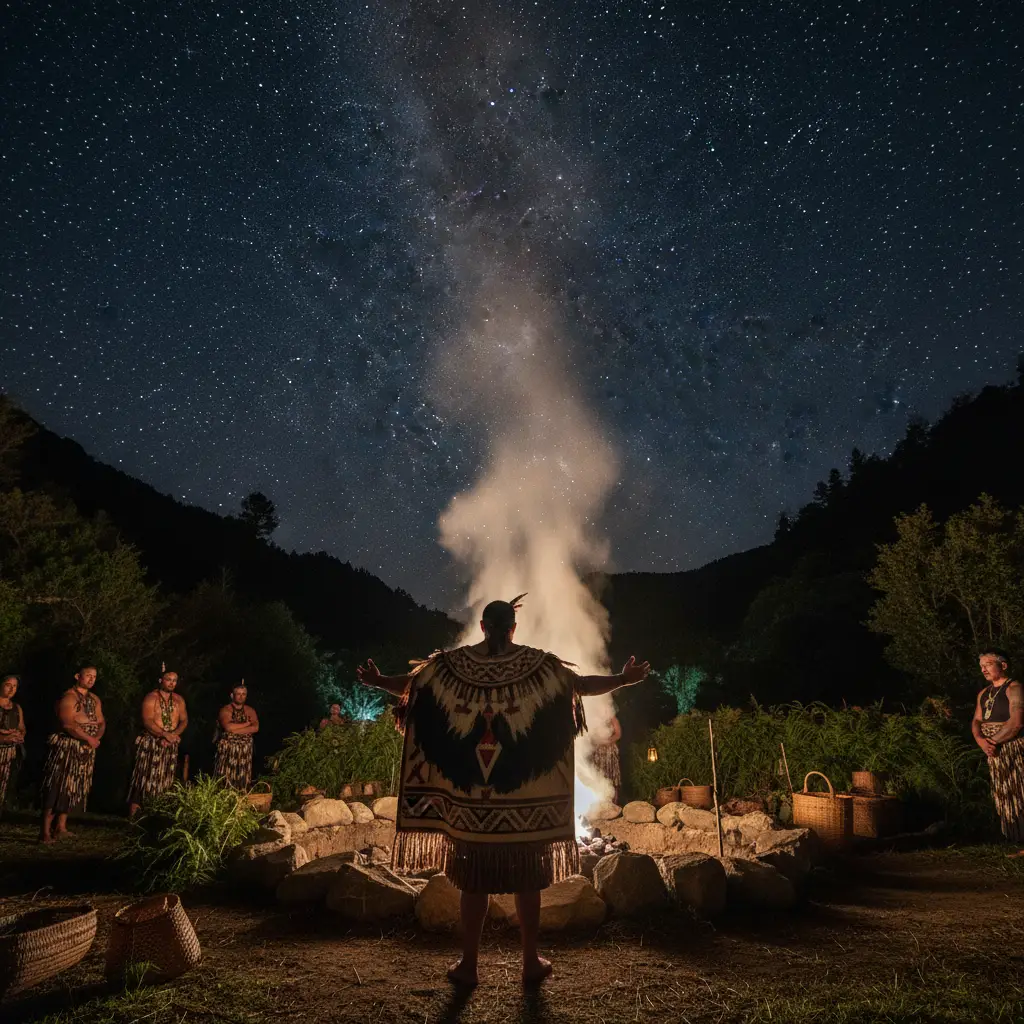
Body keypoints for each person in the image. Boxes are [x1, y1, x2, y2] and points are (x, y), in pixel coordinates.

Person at [357, 596, 649, 988]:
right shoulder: (539, 666)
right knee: (528, 882)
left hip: (471, 810)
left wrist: (378, 681)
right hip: (524, 810)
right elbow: (579, 686)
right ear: (513, 628)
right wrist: (623, 679)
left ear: (482, 627)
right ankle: (529, 962)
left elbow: (413, 687)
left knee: (473, 883)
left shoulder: (450, 667)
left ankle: (469, 965)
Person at [40, 665, 105, 843]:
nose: (91, 679)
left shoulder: (94, 699)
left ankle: (61, 827)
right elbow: (67, 724)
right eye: (88, 675)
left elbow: (101, 721)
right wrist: (88, 738)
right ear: (77, 676)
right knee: (57, 786)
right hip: (67, 747)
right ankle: (45, 832)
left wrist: (96, 738)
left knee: (72, 787)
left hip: (86, 748)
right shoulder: (68, 697)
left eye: (94, 676)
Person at [972, 648, 1024, 856]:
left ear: (1003, 665)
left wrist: (993, 741)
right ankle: (1017, 838)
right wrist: (980, 741)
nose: (983, 669)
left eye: (988, 664)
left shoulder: (1015, 688)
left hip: (1013, 748)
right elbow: (977, 720)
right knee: (1006, 794)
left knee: (1020, 791)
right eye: (981, 666)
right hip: (993, 751)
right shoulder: (984, 693)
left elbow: (1017, 721)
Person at [127, 669, 188, 817]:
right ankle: (134, 817)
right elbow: (147, 720)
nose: (172, 683)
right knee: (144, 778)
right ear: (161, 681)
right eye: (168, 679)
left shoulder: (179, 700)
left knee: (165, 779)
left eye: (174, 680)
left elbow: (184, 720)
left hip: (170, 745)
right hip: (152, 743)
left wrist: (174, 735)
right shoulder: (151, 697)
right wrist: (164, 734)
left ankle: (157, 814)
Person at [214, 684, 259, 790]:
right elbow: (228, 727)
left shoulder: (250, 710)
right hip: (228, 751)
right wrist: (247, 724)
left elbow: (255, 728)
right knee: (225, 777)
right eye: (238, 694)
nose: (241, 697)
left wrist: (235, 730)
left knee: (243, 779)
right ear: (232, 695)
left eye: (244, 694)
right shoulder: (225, 710)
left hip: (245, 753)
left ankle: (242, 791)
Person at [0, 674, 26, 813]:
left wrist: (19, 735)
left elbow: (22, 727)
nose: (11, 689)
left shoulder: (16, 708)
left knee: (4, 786)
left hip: (9, 754)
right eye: (8, 685)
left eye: (14, 686)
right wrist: (4, 736)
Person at [590, 714, 622, 804]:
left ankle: (613, 804)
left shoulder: (612, 718)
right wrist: (596, 740)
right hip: (598, 753)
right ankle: (600, 803)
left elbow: (618, 734)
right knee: (599, 777)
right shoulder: (594, 718)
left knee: (612, 778)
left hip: (609, 752)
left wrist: (608, 741)